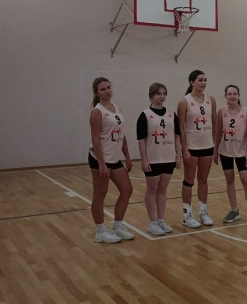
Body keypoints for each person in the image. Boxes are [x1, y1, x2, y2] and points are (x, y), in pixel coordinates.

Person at [88, 77, 135, 243]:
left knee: (127, 190)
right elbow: (95, 140)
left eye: (109, 87)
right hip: (100, 158)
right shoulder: (97, 112)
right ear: (97, 93)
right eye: (103, 89)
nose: (107, 91)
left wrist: (127, 156)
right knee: (100, 194)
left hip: (115, 158)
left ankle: (117, 227)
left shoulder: (117, 108)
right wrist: (102, 164)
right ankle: (100, 232)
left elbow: (121, 134)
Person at [137, 83, 182, 236]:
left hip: (168, 158)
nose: (162, 96)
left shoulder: (171, 114)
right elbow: (141, 139)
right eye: (158, 94)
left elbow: (177, 136)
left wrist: (178, 155)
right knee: (152, 190)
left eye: (164, 93)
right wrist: (144, 160)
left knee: (162, 191)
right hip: (153, 159)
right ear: (151, 96)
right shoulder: (145, 115)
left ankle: (161, 220)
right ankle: (152, 222)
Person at [214, 85, 247, 224]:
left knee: (246, 180)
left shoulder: (246, 111)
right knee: (229, 180)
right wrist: (215, 151)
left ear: (238, 95)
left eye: (235, 93)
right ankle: (234, 211)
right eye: (230, 94)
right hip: (225, 151)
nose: (232, 96)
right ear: (225, 96)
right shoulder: (221, 111)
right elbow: (218, 132)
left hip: (241, 152)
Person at [177, 69, 217, 227]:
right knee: (189, 181)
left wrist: (214, 144)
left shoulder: (211, 100)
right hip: (192, 147)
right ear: (192, 82)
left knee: (203, 180)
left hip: (207, 146)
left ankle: (203, 212)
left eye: (205, 80)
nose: (203, 83)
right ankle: (187, 215)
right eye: (200, 80)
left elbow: (215, 122)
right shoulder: (184, 101)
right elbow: (180, 127)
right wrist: (184, 149)